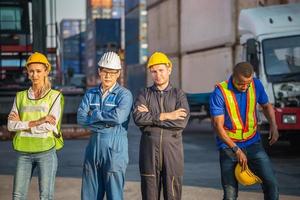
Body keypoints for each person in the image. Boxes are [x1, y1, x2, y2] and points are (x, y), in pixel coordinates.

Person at [209, 62, 279, 200]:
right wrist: (236, 149)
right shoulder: (220, 92)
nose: (245, 86)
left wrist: (274, 126)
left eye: (248, 83)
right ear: (233, 77)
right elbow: (218, 126)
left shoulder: (256, 85)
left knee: (271, 184)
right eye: (241, 83)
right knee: (230, 194)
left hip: (253, 143)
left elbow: (266, 106)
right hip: (228, 147)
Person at [7, 52, 64, 200]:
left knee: (46, 196)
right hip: (23, 152)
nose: (35, 75)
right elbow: (11, 125)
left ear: (46, 71)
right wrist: (38, 121)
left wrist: (22, 124)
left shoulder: (55, 96)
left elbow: (49, 127)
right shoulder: (20, 97)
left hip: (46, 151)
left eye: (38, 71)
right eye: (31, 71)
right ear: (27, 73)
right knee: (17, 196)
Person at [133, 52, 190, 200]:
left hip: (173, 152)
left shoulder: (179, 94)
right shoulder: (144, 94)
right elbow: (139, 119)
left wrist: (150, 118)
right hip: (149, 152)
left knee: (172, 194)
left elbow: (180, 122)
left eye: (161, 70)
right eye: (153, 71)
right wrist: (166, 116)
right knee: (149, 194)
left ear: (169, 70)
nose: (157, 75)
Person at [77, 51, 133, 200]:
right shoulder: (91, 94)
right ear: (99, 71)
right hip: (93, 148)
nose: (108, 76)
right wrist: (105, 124)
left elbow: (118, 117)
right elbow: (81, 118)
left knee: (114, 195)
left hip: (115, 149)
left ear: (118, 73)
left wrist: (94, 115)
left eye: (112, 72)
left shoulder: (124, 95)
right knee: (89, 195)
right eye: (104, 71)